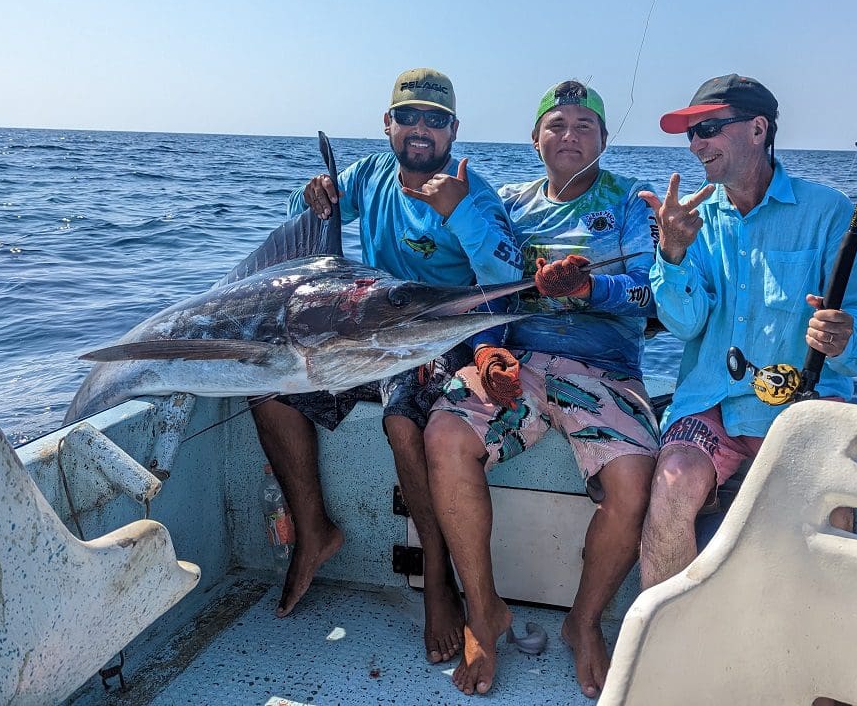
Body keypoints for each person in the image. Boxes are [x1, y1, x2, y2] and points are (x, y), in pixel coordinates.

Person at [251, 67, 524, 667]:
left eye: (434, 119)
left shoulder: (472, 189)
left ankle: (437, 576)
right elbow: (318, 206)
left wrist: (460, 214)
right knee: (269, 386)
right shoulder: (370, 174)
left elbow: (508, 279)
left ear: (454, 129)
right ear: (388, 124)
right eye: (408, 116)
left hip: (434, 335)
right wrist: (311, 191)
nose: (420, 129)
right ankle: (314, 529)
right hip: (364, 330)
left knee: (403, 422)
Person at [425, 80, 659, 699]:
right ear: (535, 140)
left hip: (604, 369)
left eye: (585, 125)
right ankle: (484, 611)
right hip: (521, 363)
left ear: (604, 141)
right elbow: (492, 283)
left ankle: (583, 625)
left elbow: (649, 291)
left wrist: (588, 291)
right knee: (445, 432)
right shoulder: (507, 201)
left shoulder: (631, 204)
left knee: (634, 480)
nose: (570, 136)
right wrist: (488, 348)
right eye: (556, 125)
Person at [636, 73, 857, 592]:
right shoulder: (693, 219)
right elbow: (686, 324)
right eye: (691, 133)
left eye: (709, 128)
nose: (698, 143)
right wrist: (673, 254)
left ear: (757, 129)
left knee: (832, 510)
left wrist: (841, 339)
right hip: (712, 404)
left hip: (804, 408)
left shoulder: (830, 211)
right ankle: (666, 649)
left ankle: (810, 647)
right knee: (671, 487)